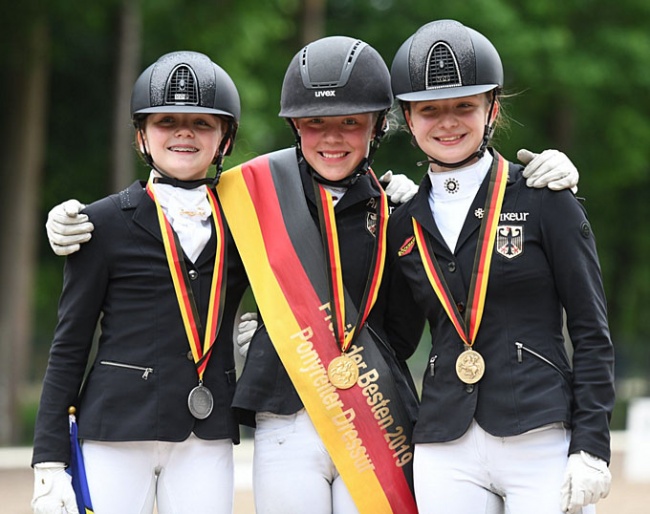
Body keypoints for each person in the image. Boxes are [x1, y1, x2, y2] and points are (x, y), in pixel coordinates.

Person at [43, 39, 580, 514]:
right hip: (282, 416)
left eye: (350, 122)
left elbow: (404, 322)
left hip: (369, 418)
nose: (333, 138)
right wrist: (70, 220)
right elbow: (171, 249)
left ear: (376, 126)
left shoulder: (401, 212)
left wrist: (549, 173)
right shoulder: (252, 200)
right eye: (316, 123)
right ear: (295, 127)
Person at [386, 19, 615, 514]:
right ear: (408, 117)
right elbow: (394, 340)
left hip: (540, 435)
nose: (447, 122)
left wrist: (592, 445)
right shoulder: (402, 223)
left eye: (463, 106)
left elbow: (592, 331)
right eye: (429, 111)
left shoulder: (545, 198)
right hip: (445, 444)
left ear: (491, 108)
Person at [31, 51, 249, 514]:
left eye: (202, 123)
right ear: (141, 136)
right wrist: (48, 459)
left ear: (225, 139)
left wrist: (387, 203)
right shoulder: (102, 223)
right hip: (116, 429)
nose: (184, 133)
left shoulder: (246, 222)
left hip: (205, 435)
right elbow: (69, 346)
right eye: (167, 120)